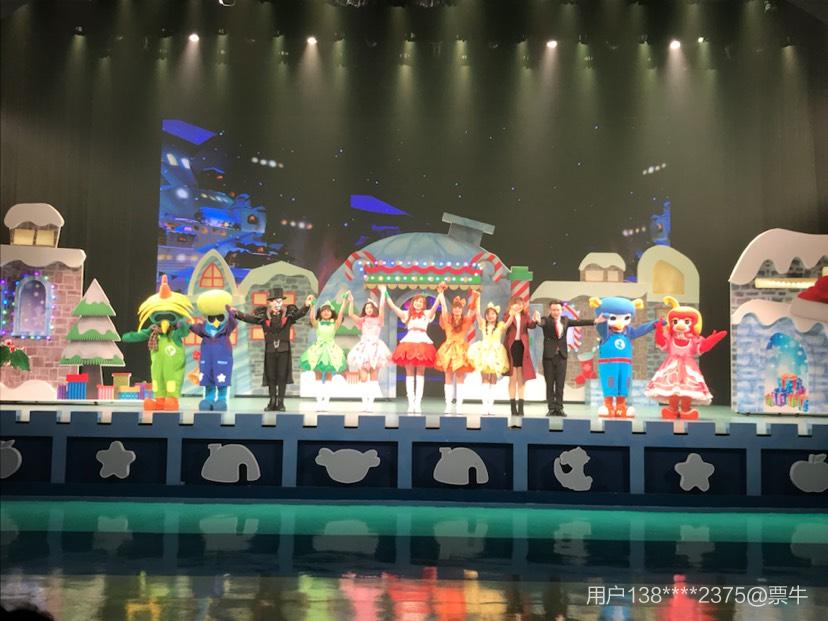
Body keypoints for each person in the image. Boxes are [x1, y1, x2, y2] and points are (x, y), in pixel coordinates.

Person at [232, 288, 313, 412]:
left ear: (282, 302)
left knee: (281, 376)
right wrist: (236, 313)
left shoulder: (288, 315)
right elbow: (250, 318)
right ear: (269, 303)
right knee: (271, 377)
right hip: (270, 350)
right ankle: (272, 401)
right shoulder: (264, 316)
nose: (276, 304)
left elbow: (299, 314)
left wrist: (306, 305)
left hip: (283, 350)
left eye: (279, 301)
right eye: (274, 301)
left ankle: (280, 402)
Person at [533, 299, 606, 417]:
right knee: (550, 384)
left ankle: (559, 408)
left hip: (562, 356)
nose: (556, 312)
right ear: (550, 310)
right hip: (549, 357)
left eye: (558, 310)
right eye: (553, 310)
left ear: (561, 310)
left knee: (560, 384)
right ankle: (551, 408)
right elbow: (541, 323)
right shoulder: (546, 320)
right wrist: (536, 321)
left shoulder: (565, 320)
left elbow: (579, 322)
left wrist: (595, 321)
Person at [385, 284, 444, 413]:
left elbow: (436, 305)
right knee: (409, 374)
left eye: (421, 302)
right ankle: (411, 402)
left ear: (424, 305)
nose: (418, 303)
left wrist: (440, 293)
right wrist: (385, 292)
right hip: (409, 344)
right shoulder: (407, 314)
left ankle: (418, 402)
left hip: (423, 344)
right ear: (413, 302)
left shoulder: (427, 314)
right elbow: (393, 307)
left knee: (421, 374)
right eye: (417, 301)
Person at [344, 289, 392, 412]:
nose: (368, 309)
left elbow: (382, 308)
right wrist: (351, 301)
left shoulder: (379, 319)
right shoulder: (363, 320)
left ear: (374, 309)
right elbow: (351, 314)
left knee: (374, 378)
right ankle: (364, 402)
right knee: (364, 377)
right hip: (363, 349)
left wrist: (383, 293)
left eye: (370, 308)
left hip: (376, 349)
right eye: (366, 308)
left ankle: (370, 403)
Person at [434, 289, 479, 413]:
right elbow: (443, 308)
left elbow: (471, 310)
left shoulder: (466, 320)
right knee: (448, 376)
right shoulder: (447, 319)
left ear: (461, 309)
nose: (457, 310)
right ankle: (448, 404)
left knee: (460, 377)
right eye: (455, 308)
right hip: (448, 350)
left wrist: (475, 298)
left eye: (459, 308)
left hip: (460, 350)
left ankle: (459, 405)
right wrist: (441, 294)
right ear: (452, 309)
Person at [300, 297, 347, 411]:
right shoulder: (318, 323)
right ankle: (319, 401)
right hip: (318, 350)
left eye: (328, 310)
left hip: (331, 350)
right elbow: (312, 317)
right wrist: (312, 305)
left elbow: (340, 315)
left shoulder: (334, 324)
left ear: (332, 313)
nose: (326, 312)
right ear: (320, 313)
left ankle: (326, 401)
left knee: (329, 376)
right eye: (323, 310)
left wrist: (344, 302)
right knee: (318, 376)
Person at [468, 299, 512, 415]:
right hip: (484, 352)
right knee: (484, 378)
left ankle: (491, 406)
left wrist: (513, 313)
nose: (490, 316)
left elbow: (508, 324)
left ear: (496, 315)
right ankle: (484, 405)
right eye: (488, 314)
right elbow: (478, 314)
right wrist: (477, 300)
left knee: (493, 378)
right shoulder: (483, 324)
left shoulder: (500, 325)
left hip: (496, 352)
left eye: (493, 314)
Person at [503, 296, 537, 416]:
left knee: (522, 378)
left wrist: (535, 320)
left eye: (521, 304)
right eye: (517, 304)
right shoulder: (507, 316)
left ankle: (521, 407)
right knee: (512, 378)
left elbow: (531, 325)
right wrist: (512, 315)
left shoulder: (525, 316)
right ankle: (513, 407)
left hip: (522, 348)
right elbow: (504, 327)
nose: (519, 306)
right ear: (512, 305)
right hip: (511, 347)